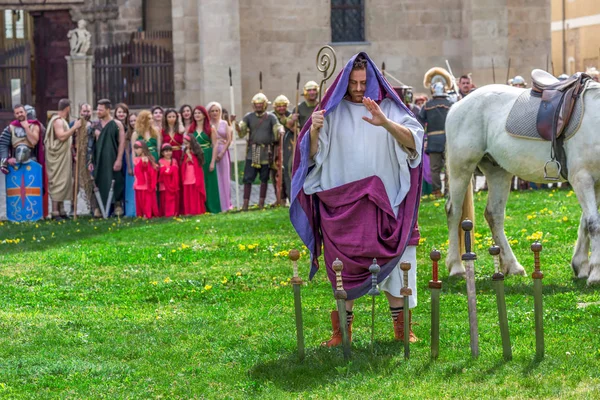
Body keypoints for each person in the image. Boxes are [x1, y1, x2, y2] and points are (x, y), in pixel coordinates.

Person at [290, 53, 423, 346]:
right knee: (343, 267)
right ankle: (342, 332)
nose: (360, 88)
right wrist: (313, 130)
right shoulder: (331, 113)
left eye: (364, 82)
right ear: (344, 82)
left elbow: (415, 141)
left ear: (373, 80)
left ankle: (402, 328)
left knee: (400, 263)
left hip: (387, 201)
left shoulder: (389, 108)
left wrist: (385, 122)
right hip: (344, 203)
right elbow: (311, 156)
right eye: (353, 83)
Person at [233, 94, 284, 211]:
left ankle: (261, 203)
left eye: (261, 104)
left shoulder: (271, 117)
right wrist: (235, 124)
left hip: (266, 152)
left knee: (264, 178)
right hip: (253, 151)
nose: (259, 106)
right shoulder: (248, 117)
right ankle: (245, 204)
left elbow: (277, 127)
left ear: (265, 105)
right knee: (248, 177)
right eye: (257, 104)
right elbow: (242, 129)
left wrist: (280, 130)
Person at [45, 99, 81, 220]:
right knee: (58, 181)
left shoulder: (60, 120)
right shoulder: (58, 121)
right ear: (67, 108)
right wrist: (74, 127)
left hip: (63, 156)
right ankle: (55, 212)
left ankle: (61, 210)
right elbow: (61, 137)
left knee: (63, 181)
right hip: (57, 158)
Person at [89, 99, 125, 217]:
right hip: (99, 159)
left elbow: (121, 143)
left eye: (101, 109)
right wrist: (90, 160)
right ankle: (99, 207)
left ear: (108, 110)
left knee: (116, 180)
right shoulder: (94, 125)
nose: (98, 111)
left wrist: (119, 159)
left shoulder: (117, 124)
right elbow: (90, 145)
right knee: (100, 180)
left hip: (113, 157)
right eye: (97, 109)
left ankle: (117, 205)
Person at [420, 68, 453, 198]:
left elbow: (420, 122)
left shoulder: (427, 105)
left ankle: (437, 192)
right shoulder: (451, 103)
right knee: (449, 168)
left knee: (435, 169)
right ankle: (449, 191)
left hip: (433, 141)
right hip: (448, 140)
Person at [189, 106, 221, 213]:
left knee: (210, 182)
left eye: (199, 113)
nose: (197, 115)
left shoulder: (210, 128)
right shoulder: (191, 129)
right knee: (198, 182)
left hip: (207, 155)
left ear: (204, 115)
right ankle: (200, 207)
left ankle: (212, 207)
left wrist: (212, 161)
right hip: (196, 157)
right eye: (195, 113)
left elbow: (215, 145)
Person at [207, 101, 233, 211]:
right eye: (212, 111)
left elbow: (229, 139)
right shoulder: (207, 124)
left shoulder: (224, 123)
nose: (215, 113)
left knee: (224, 177)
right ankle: (215, 203)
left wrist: (222, 153)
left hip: (223, 151)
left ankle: (225, 204)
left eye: (217, 110)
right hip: (212, 151)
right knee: (214, 177)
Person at [272, 94, 296, 205]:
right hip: (274, 147)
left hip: (288, 147)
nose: (281, 108)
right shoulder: (271, 116)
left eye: (283, 106)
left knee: (287, 171)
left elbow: (294, 129)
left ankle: (289, 197)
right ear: (275, 106)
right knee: (275, 173)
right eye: (279, 106)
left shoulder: (291, 115)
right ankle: (280, 198)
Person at [181, 133, 206, 216]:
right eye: (184, 144)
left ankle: (197, 210)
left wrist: (189, 156)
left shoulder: (195, 152)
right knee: (188, 193)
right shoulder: (185, 152)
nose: (186, 145)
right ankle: (188, 210)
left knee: (194, 192)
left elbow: (196, 163)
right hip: (187, 175)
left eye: (187, 143)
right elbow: (183, 163)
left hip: (195, 175)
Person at [133, 140, 159, 219]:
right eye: (135, 149)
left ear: (143, 149)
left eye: (137, 148)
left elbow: (155, 168)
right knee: (140, 198)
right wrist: (142, 162)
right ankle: (141, 213)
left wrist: (149, 164)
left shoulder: (150, 158)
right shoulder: (136, 159)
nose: (135, 151)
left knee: (147, 199)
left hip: (148, 182)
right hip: (140, 182)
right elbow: (137, 169)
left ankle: (149, 213)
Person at [158, 143, 180, 217]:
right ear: (162, 153)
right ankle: (166, 213)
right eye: (166, 151)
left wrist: (168, 170)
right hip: (164, 185)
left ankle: (174, 212)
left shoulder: (174, 160)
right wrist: (170, 169)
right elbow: (163, 172)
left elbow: (175, 170)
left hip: (173, 184)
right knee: (165, 200)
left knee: (173, 199)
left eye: (170, 151)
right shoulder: (161, 161)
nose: (168, 153)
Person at [124, 113, 138, 217]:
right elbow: (127, 152)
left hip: (141, 161)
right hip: (131, 162)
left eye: (135, 120)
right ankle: (131, 211)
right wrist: (129, 166)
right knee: (131, 188)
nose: (133, 123)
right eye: (131, 121)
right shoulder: (128, 135)